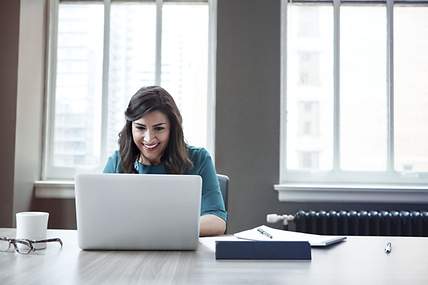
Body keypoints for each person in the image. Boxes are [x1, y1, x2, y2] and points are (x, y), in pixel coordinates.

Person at [103, 86, 227, 236]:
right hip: (129, 251)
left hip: (182, 253)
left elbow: (217, 220)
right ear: (130, 128)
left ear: (172, 129)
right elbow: (100, 218)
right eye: (140, 128)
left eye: (159, 128)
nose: (149, 138)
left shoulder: (199, 158)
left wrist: (162, 230)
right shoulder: (117, 161)